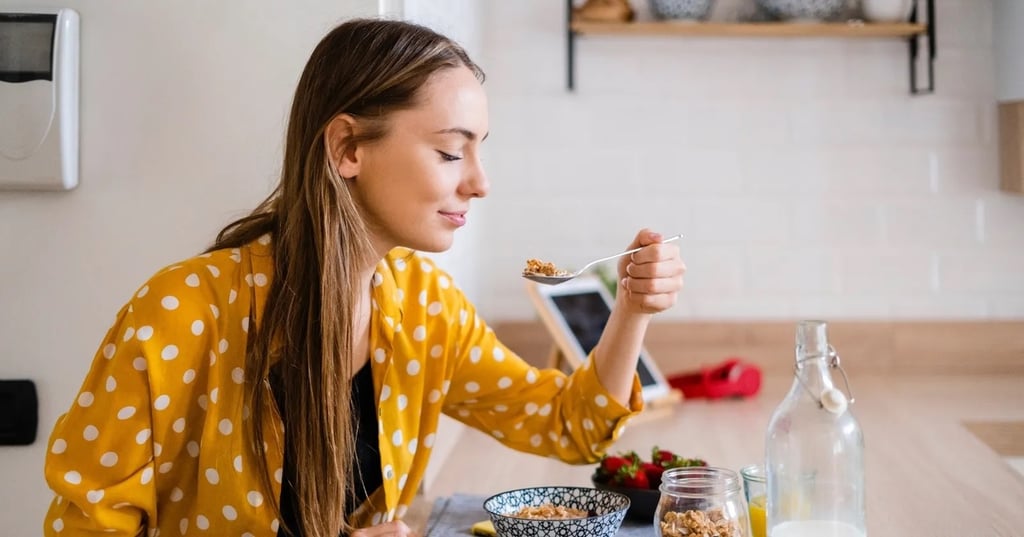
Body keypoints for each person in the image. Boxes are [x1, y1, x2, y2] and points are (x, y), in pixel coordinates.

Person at [42, 17, 685, 537]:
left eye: (480, 148)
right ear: (347, 148)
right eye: (451, 151)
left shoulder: (425, 306)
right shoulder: (179, 314)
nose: (479, 182)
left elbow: (563, 426)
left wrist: (631, 309)